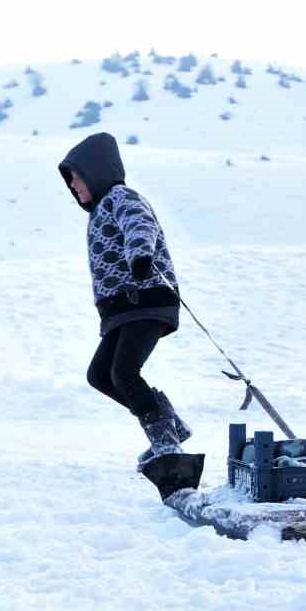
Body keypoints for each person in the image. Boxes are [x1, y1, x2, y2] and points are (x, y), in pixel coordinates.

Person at [58, 131, 192, 471]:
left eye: (75, 179)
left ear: (94, 172)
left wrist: (140, 257)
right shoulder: (99, 211)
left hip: (145, 300)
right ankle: (170, 426)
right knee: (100, 375)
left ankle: (165, 439)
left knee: (125, 372)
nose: (73, 187)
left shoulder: (121, 197)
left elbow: (139, 225)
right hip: (123, 311)